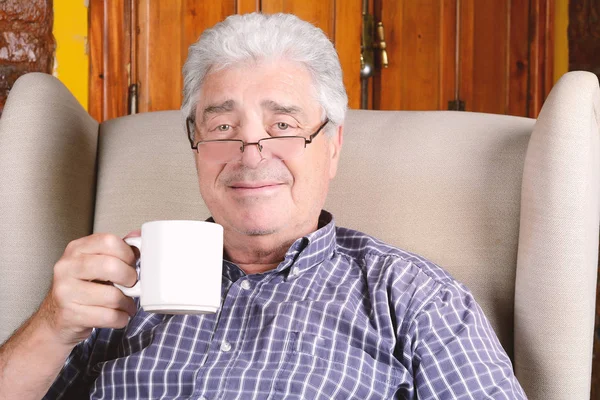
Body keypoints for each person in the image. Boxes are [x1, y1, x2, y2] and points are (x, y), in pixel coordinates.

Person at [0, 12, 526, 399]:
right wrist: (51, 324)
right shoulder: (118, 288)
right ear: (196, 146)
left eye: (283, 126)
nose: (251, 155)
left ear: (333, 146)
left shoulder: (413, 299)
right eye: (223, 127)